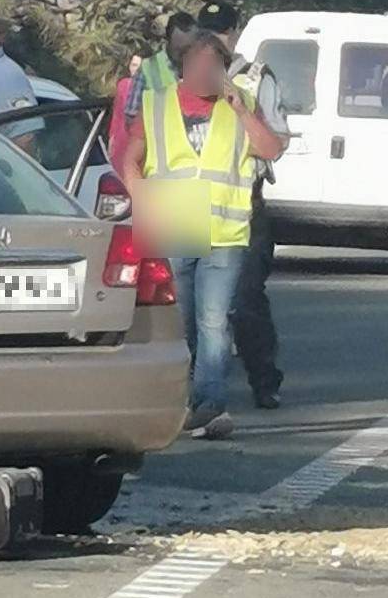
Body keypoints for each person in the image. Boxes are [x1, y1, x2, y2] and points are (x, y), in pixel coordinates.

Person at [117, 29, 286, 439]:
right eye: (199, 66)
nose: (206, 74)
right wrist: (142, 196)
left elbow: (271, 150)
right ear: (184, 68)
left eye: (215, 67)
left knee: (214, 320)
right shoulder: (157, 105)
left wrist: (242, 111)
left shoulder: (239, 104)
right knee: (179, 320)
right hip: (173, 216)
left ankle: (210, 403)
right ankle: (184, 399)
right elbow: (129, 159)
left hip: (224, 229)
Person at [200, 0, 289, 409]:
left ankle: (264, 380)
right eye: (208, 30)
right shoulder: (179, 78)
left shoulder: (255, 78)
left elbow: (276, 142)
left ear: (234, 34)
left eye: (221, 31)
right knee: (194, 306)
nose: (215, 39)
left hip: (243, 204)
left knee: (246, 298)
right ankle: (197, 391)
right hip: (192, 205)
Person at [110, 11, 197, 169]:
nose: (185, 55)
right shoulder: (149, 69)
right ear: (168, 43)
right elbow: (131, 116)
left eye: (189, 48)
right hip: (160, 162)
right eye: (180, 49)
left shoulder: (204, 67)